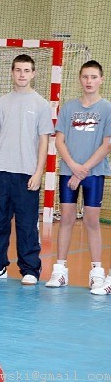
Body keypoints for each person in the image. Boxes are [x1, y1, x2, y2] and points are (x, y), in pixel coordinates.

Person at [0, 54, 53, 285]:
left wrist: (38, 172)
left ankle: (30, 269)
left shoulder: (41, 104)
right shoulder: (1, 102)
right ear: (12, 72)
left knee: (26, 224)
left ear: (33, 74)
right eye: (18, 70)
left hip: (26, 173)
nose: (22, 74)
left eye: (26, 70)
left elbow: (44, 141)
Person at [43, 61, 111, 292]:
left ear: (101, 80)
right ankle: (60, 270)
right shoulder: (69, 107)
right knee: (66, 219)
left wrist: (83, 170)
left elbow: (107, 144)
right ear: (80, 79)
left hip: (94, 173)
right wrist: (73, 166)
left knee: (91, 220)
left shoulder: (107, 108)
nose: (89, 81)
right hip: (68, 172)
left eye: (94, 77)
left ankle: (97, 273)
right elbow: (59, 140)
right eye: (85, 77)